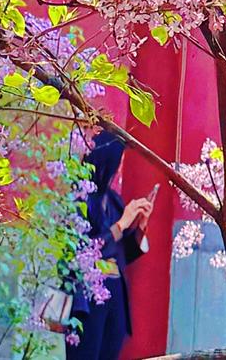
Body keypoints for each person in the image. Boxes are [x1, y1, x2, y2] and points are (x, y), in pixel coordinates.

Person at [68, 128, 155, 360]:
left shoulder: (114, 199)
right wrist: (122, 224)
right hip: (87, 298)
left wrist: (140, 227)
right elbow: (82, 253)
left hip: (114, 295)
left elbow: (122, 252)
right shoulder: (79, 200)